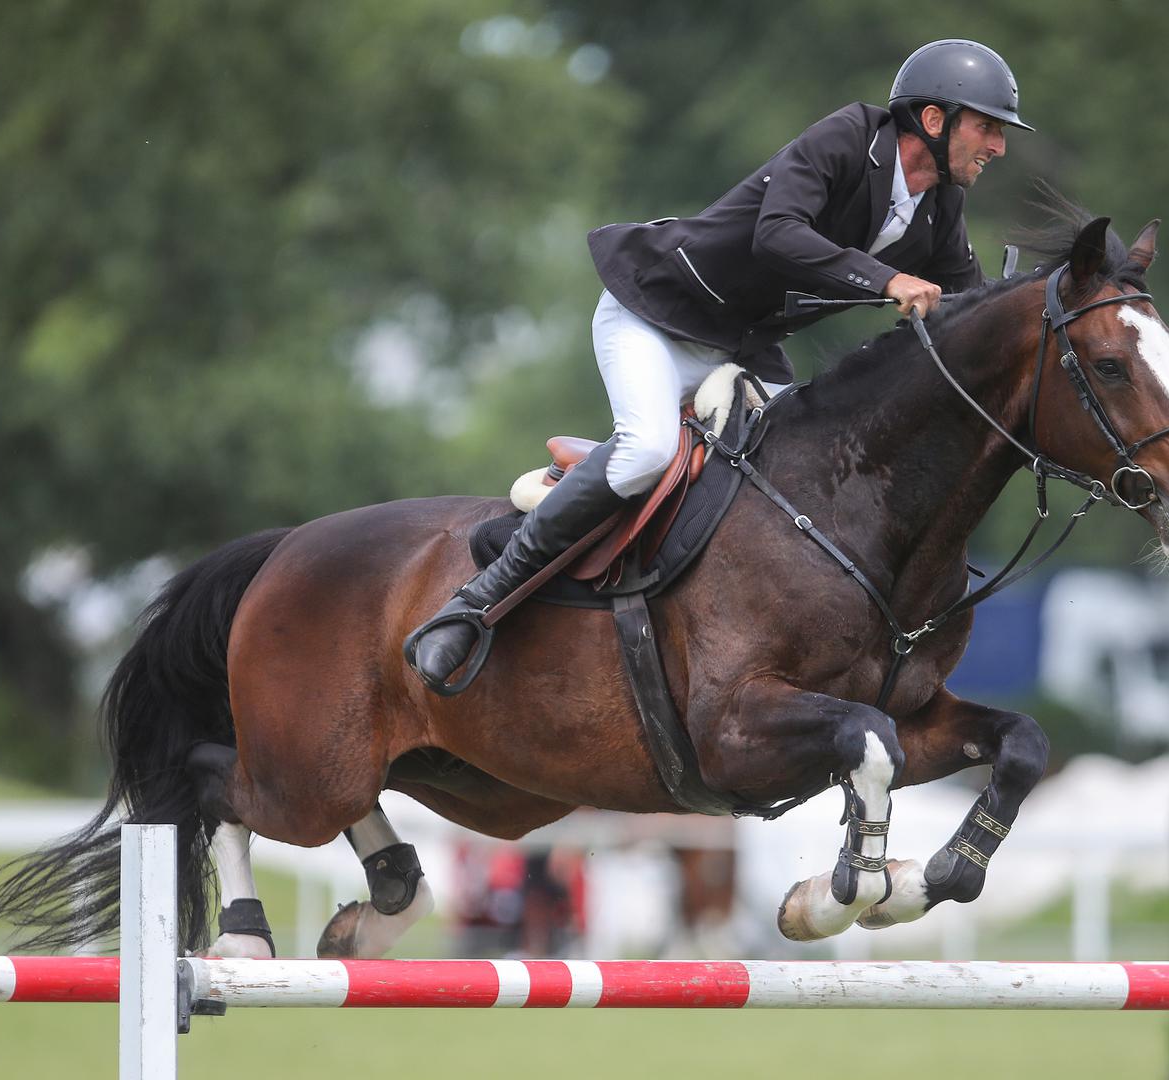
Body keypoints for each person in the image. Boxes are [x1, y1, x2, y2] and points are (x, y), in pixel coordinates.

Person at [405, 38, 1033, 695]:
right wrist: (885, 281)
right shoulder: (849, 137)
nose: (998, 146)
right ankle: (473, 604)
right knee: (647, 450)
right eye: (987, 127)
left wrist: (1023, 321)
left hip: (740, 350)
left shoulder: (938, 206)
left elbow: (967, 310)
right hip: (655, 315)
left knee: (809, 475)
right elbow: (778, 232)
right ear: (933, 121)